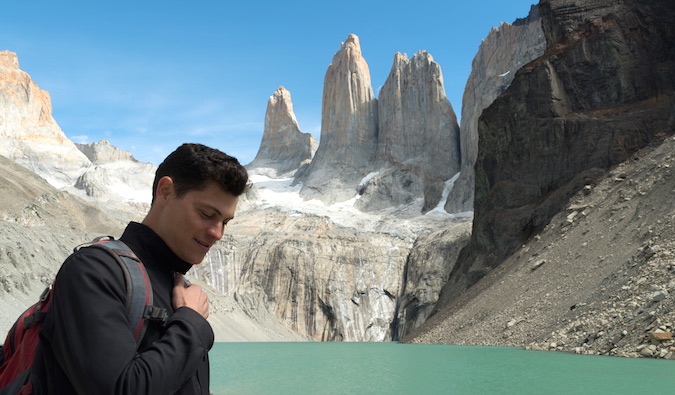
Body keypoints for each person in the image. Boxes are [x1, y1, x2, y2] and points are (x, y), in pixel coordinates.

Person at [31, 143, 249, 394]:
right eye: (206, 213)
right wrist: (191, 325)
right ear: (165, 191)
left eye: (225, 222)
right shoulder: (92, 271)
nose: (217, 233)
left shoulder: (175, 284)